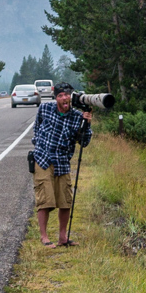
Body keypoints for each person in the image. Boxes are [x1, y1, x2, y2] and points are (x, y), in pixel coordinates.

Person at [31, 82, 92, 247]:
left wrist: (87, 123)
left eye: (66, 95)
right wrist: (39, 145)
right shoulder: (45, 109)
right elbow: (36, 128)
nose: (64, 98)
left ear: (71, 97)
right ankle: (44, 237)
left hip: (63, 161)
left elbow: (84, 142)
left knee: (65, 200)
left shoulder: (77, 116)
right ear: (56, 97)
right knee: (45, 199)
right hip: (43, 159)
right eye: (60, 95)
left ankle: (63, 237)